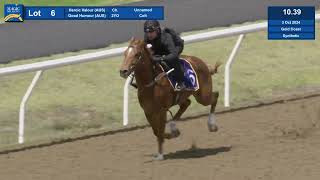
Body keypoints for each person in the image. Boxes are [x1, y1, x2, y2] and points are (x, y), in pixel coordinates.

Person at [143, 20, 186, 91]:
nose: (149, 35)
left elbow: (173, 54)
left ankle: (180, 82)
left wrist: (161, 59)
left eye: (151, 32)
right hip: (160, 48)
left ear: (157, 30)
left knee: (173, 60)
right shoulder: (147, 36)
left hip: (175, 47)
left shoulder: (166, 37)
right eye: (147, 32)